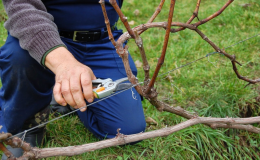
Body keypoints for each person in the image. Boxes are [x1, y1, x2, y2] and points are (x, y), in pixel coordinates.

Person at [0, 0, 146, 158]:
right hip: (43, 36)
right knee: (19, 58)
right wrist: (63, 62)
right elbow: (22, 8)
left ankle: (69, 94)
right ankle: (27, 126)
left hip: (103, 41)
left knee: (129, 130)